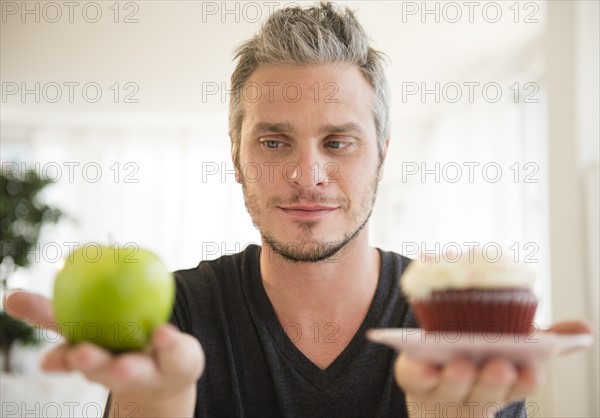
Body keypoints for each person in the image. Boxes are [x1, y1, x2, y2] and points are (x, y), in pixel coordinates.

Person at [5, 2, 591, 418]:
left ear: (381, 158)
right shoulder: (174, 318)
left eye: (338, 143)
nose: (305, 174)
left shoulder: (456, 338)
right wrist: (159, 402)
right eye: (273, 141)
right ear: (234, 156)